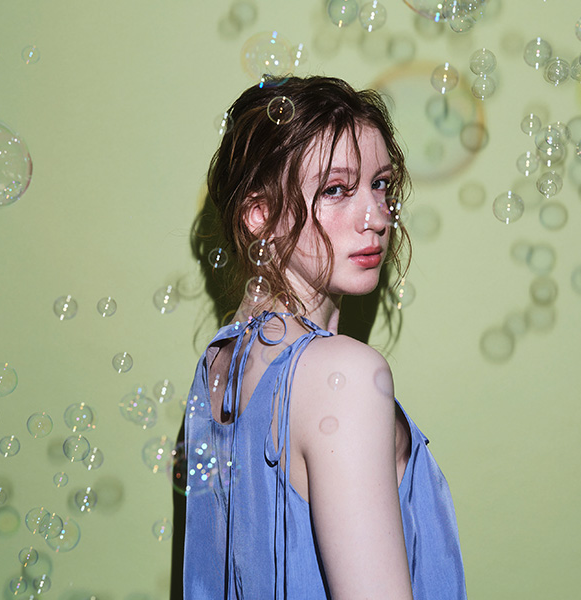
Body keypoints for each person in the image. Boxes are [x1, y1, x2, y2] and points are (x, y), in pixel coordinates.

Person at [183, 76, 466, 600]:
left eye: (380, 184)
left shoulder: (219, 365)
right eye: (336, 189)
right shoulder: (345, 375)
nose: (375, 217)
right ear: (260, 215)